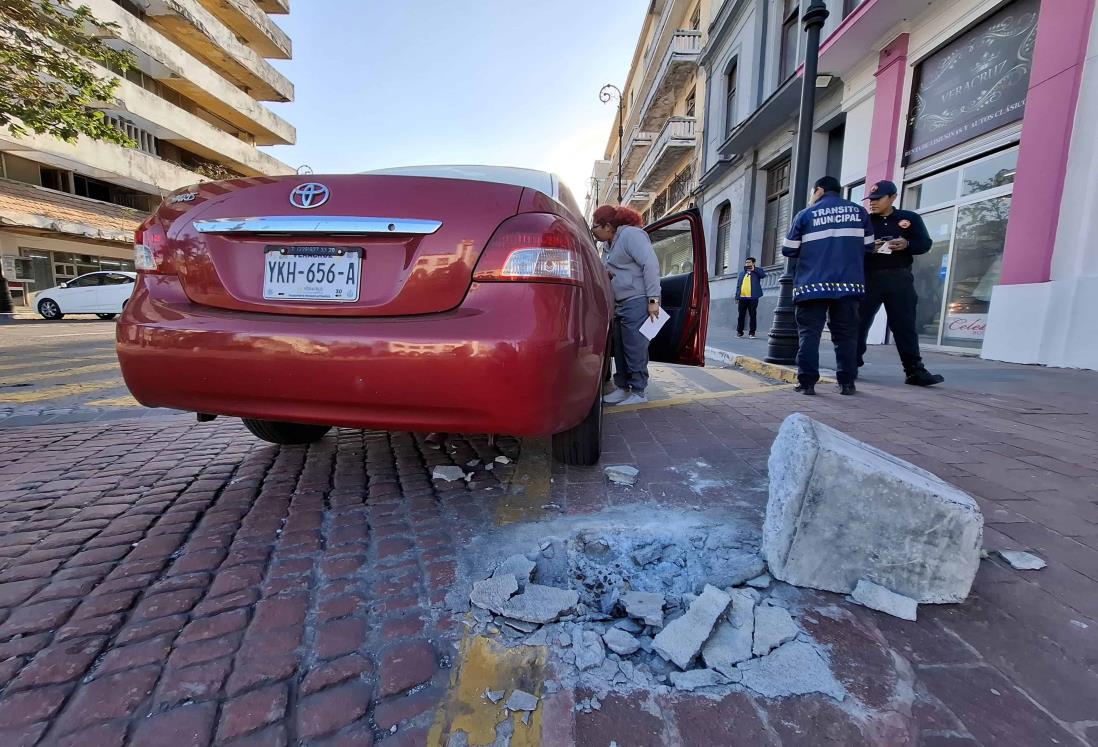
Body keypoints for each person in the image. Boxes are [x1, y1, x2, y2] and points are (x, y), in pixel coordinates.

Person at [782, 176, 874, 396]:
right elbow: (869, 247)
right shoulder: (859, 212)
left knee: (809, 334)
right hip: (848, 285)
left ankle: (807, 384)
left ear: (820, 191)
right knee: (846, 336)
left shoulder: (805, 214)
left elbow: (788, 249)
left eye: (813, 192)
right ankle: (847, 383)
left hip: (811, 286)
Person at [859, 180, 945, 387]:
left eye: (878, 199)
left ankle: (914, 371)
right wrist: (870, 247)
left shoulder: (909, 219)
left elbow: (925, 244)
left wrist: (907, 244)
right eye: (870, 200)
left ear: (893, 198)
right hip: (870, 277)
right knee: (859, 323)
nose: (873, 203)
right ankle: (851, 364)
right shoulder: (865, 221)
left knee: (905, 326)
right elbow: (850, 247)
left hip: (900, 278)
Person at [592, 204, 661, 406]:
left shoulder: (632, 235)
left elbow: (651, 265)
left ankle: (639, 392)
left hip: (637, 300)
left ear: (607, 226)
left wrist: (653, 301)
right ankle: (622, 387)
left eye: (595, 227)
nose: (593, 232)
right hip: (619, 303)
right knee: (620, 348)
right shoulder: (608, 244)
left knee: (635, 347)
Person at [734, 256, 766, 338]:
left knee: (752, 315)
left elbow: (763, 275)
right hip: (742, 297)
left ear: (753, 263)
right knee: (741, 315)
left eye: (749, 262)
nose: (747, 264)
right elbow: (738, 285)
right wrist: (737, 296)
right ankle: (739, 332)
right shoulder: (742, 273)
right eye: (746, 262)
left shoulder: (757, 271)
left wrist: (754, 269)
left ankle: (752, 333)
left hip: (753, 297)